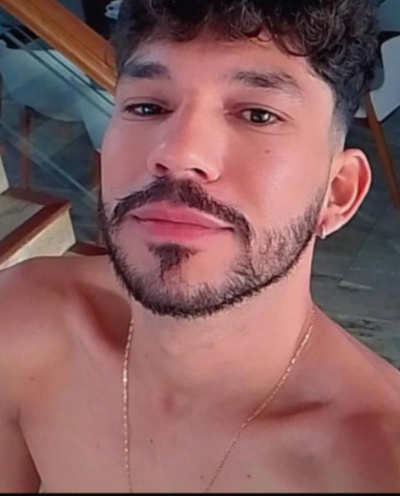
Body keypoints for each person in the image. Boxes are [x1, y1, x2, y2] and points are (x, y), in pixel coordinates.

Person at [1, 0, 399, 492]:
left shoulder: (377, 463)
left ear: (337, 193)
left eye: (257, 114)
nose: (177, 152)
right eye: (147, 107)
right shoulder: (23, 328)